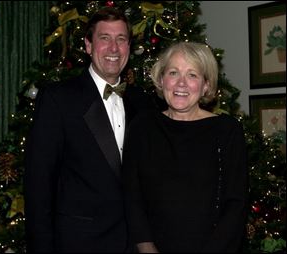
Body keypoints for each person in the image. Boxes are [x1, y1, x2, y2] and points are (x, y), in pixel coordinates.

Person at [24, 7, 154, 253]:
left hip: (134, 245)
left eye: (121, 39)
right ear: (88, 45)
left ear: (129, 46)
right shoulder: (58, 99)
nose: (114, 48)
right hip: (79, 244)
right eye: (104, 38)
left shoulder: (142, 102)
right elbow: (38, 186)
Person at [122, 41, 248, 253]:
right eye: (173, 73)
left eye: (192, 75)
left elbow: (236, 204)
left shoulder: (227, 131)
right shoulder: (142, 128)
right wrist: (146, 248)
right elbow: (132, 197)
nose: (181, 83)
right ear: (162, 80)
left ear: (206, 85)